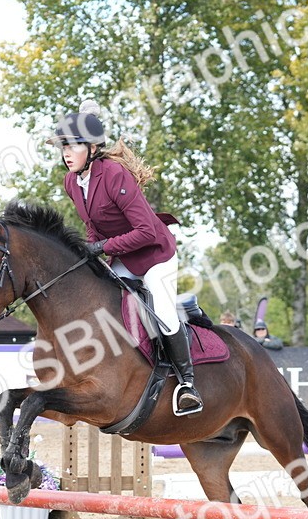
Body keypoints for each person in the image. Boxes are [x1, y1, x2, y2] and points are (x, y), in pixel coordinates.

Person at [48, 100, 202, 416]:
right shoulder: (71, 182)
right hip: (123, 256)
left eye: (73, 146)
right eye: (63, 147)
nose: (66, 153)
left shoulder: (115, 174)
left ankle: (188, 385)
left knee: (162, 313)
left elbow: (146, 231)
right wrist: (91, 254)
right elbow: (93, 226)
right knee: (100, 300)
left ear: (92, 148)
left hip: (155, 254)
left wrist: (103, 248)